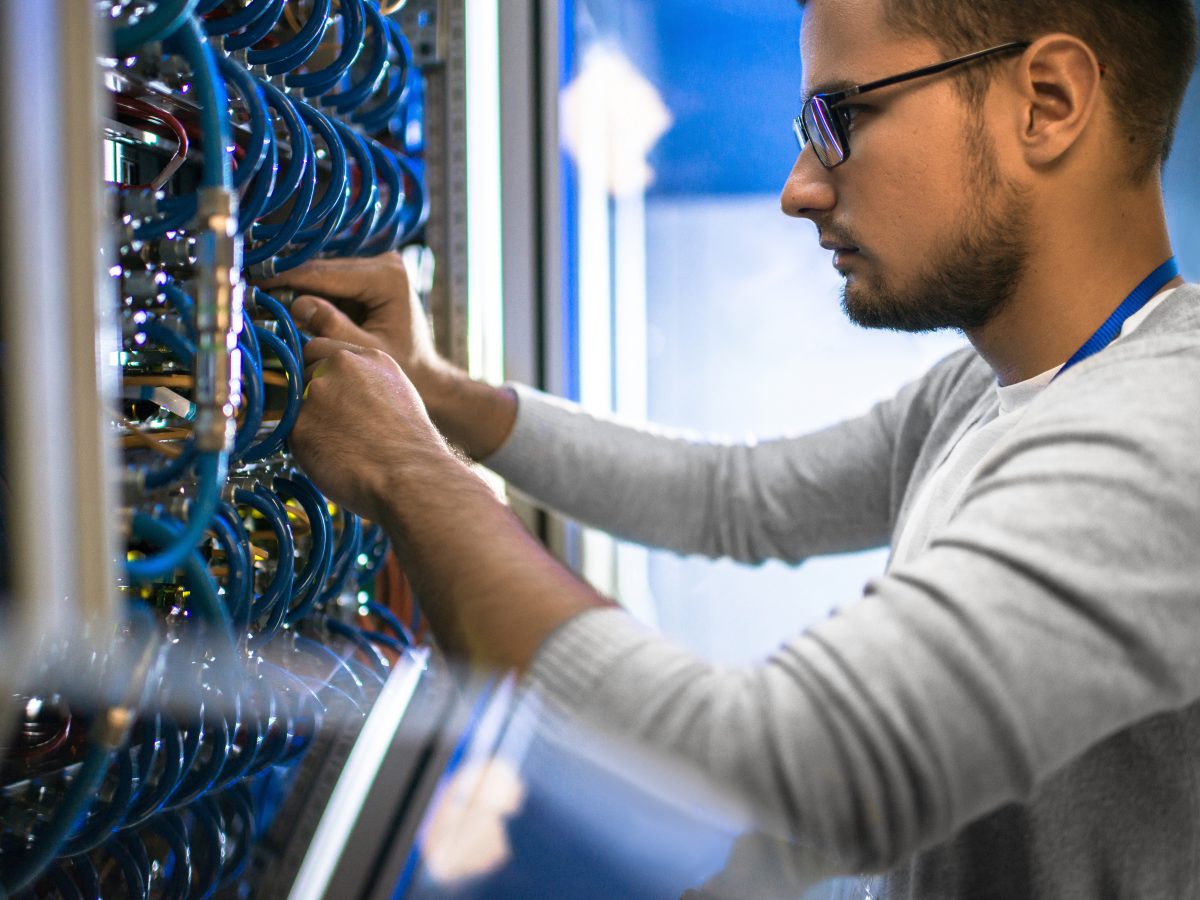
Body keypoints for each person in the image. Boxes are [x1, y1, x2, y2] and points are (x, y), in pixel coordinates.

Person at [262, 0, 1200, 894]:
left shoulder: (1162, 428)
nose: (800, 189)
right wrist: (439, 395)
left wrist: (408, 471)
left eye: (841, 117)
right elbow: (733, 496)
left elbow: (780, 764)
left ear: (1049, 103)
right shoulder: (987, 393)